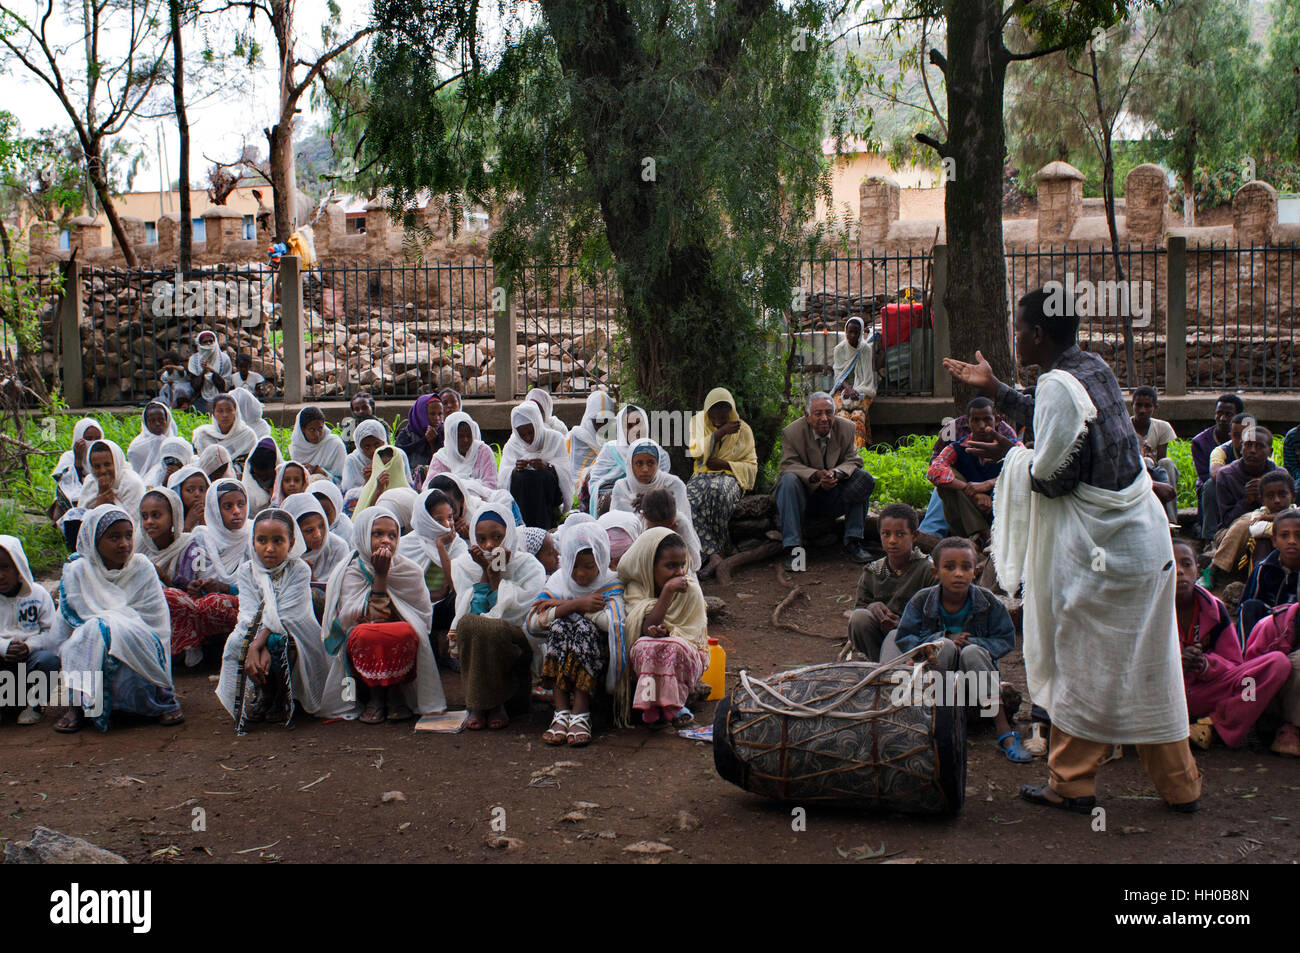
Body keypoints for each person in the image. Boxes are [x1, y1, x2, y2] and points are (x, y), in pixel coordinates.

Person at [946, 286, 1201, 813]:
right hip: (1142, 543)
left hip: (1103, 553)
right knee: (1148, 664)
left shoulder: (1061, 384)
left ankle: (1070, 782)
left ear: (1037, 333)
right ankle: (1180, 787)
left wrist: (1012, 456)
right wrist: (996, 388)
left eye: (1019, 328)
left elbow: (1052, 478)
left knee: (1078, 660)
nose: (1015, 337)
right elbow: (1057, 419)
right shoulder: (1093, 368)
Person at [889, 537, 1031, 762]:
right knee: (943, 646)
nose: (958, 573)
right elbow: (905, 637)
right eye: (949, 567)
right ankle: (937, 723)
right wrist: (943, 639)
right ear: (935, 572)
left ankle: (1003, 730)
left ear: (975, 572)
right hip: (934, 682)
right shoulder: (922, 600)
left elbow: (1005, 639)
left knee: (972, 652)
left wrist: (974, 642)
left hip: (975, 679)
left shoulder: (987, 601)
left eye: (966, 567)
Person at [54, 505, 183, 733]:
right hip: (90, 642)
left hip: (141, 639)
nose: (124, 544)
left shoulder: (141, 567)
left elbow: (156, 621)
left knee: (103, 629)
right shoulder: (78, 571)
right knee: (89, 634)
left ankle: (156, 702)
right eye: (114, 537)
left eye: (128, 536)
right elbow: (68, 624)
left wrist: (114, 626)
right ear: (94, 540)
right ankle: (79, 705)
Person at [321, 508, 447, 723]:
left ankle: (396, 694)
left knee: (404, 631)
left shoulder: (409, 571)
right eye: (377, 534)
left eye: (392, 535)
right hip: (361, 643)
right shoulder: (351, 570)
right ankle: (375, 697)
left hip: (399, 640)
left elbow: (422, 618)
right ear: (362, 535)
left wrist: (385, 576)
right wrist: (381, 575)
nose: (385, 541)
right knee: (368, 634)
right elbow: (363, 618)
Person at [215, 509, 337, 730]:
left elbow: (289, 614)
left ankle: (283, 694)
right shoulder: (247, 571)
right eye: (262, 540)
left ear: (291, 544)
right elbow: (249, 612)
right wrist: (254, 643)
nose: (269, 548)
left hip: (295, 631)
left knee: (278, 642)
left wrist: (257, 644)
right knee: (235, 643)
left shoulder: (298, 569)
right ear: (253, 542)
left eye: (278, 541)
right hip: (258, 629)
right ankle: (265, 693)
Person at [1171, 537, 1290, 749]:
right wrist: (1176, 662)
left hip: (1207, 693)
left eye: (1186, 564)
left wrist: (1206, 666)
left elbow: (1233, 663)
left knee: (1274, 666)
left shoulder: (1214, 609)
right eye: (1170, 565)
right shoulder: (1147, 611)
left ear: (1198, 570)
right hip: (1164, 695)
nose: (1179, 571)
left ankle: (1213, 726)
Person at [448, 502, 548, 730]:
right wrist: (485, 571)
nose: (489, 545)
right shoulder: (465, 566)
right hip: (479, 635)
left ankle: (495, 704)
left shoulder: (528, 567)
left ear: (509, 534)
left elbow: (519, 616)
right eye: (481, 539)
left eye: (497, 537)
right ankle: (479, 704)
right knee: (470, 625)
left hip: (516, 641)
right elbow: (473, 611)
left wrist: (496, 576)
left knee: (493, 629)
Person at [527, 521, 625, 746]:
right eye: (574, 566)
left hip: (598, 659)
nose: (580, 574)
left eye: (589, 566)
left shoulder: (610, 582)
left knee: (580, 626)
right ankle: (561, 711)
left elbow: (613, 622)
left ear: (601, 560)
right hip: (562, 649)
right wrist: (575, 604)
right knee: (562, 626)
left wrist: (565, 606)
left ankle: (581, 711)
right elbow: (534, 622)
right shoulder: (560, 579)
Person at [775, 391, 875, 570]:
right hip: (805, 497)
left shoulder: (847, 428)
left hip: (835, 493)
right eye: (818, 413)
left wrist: (835, 474)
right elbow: (788, 465)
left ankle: (853, 542)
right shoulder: (792, 433)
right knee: (788, 481)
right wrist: (815, 475)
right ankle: (793, 549)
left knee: (862, 479)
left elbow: (854, 460)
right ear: (807, 416)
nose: (824, 418)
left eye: (829, 413)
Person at [618, 527, 708, 727]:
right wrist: (667, 592)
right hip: (652, 652)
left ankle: (673, 706)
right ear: (651, 565)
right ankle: (650, 706)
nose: (678, 572)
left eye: (682, 565)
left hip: (686, 652)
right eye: (670, 566)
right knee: (644, 646)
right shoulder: (637, 588)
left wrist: (667, 634)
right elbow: (645, 627)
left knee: (674, 648)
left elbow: (691, 637)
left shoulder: (689, 589)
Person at [167, 479, 249, 665]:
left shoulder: (255, 536)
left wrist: (224, 588)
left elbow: (261, 586)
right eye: (228, 506)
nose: (236, 511)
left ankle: (230, 647)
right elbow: (185, 584)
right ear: (214, 510)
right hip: (200, 608)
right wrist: (195, 588)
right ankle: (197, 649)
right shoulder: (201, 539)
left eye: (240, 504)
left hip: (243, 607)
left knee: (215, 603)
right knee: (171, 597)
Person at [685, 387, 758, 578]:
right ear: (708, 410)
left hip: (730, 476)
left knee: (718, 492)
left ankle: (713, 555)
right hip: (702, 475)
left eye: (724, 408)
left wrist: (725, 464)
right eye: (715, 409)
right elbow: (695, 452)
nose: (719, 413)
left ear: (731, 409)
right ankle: (713, 554)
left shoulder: (744, 430)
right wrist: (719, 434)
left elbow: (751, 465)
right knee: (689, 497)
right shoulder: (698, 422)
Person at [927, 396, 1018, 545]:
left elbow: (1026, 469)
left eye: (987, 420)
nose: (982, 425)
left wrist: (988, 484)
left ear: (996, 419)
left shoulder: (1010, 443)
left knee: (1015, 472)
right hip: (968, 511)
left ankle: (994, 536)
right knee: (947, 479)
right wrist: (972, 491)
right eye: (975, 420)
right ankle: (981, 536)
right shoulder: (957, 446)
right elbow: (933, 471)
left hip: (1001, 508)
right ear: (968, 423)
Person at [846, 502, 932, 661]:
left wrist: (903, 625)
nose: (892, 540)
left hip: (917, 640)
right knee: (859, 617)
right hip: (881, 636)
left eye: (900, 534)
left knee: (896, 634)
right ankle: (879, 663)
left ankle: (898, 668)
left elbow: (937, 616)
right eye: (886, 534)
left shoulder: (927, 570)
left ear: (914, 536)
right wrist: (872, 607)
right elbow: (860, 606)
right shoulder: (873, 571)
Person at [397, 487, 468, 660]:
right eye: (438, 519)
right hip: (415, 608)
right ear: (425, 519)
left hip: (444, 607)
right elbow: (404, 590)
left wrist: (440, 548)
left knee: (465, 598)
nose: (447, 525)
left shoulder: (457, 544)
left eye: (450, 517)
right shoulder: (406, 545)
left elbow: (455, 585)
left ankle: (452, 652)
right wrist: (433, 595)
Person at [0, 535, 59, 726]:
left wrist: (28, 647)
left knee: (49, 660)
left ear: (18, 567)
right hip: (2, 662)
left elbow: (51, 632)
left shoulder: (38, 594)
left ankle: (34, 705)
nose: (0, 575)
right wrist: (5, 647)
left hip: (30, 660)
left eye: (5, 567)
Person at [1203, 469, 1294, 587]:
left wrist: (1270, 519)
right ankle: (1256, 584)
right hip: (1231, 538)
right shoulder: (1258, 513)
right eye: (1271, 496)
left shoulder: (1293, 509)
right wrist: (1287, 529)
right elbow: (1256, 529)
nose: (1277, 500)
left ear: (1293, 496)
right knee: (1253, 532)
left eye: (1282, 495)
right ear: (1262, 499)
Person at [1244, 581, 1300, 756]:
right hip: (1274, 711)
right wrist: (1247, 713)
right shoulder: (1273, 624)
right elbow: (1248, 674)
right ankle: (1290, 729)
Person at [498, 402, 573, 529]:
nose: (527, 438)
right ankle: (522, 525)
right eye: (522, 435)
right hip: (521, 494)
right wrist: (515, 469)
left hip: (549, 494)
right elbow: (502, 477)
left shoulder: (555, 439)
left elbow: (565, 471)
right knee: (520, 477)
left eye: (531, 432)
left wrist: (548, 466)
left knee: (542, 476)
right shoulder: (513, 445)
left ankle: (546, 523)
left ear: (537, 425)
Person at [62, 439, 146, 550]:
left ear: (116, 462)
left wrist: (110, 505)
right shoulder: (91, 481)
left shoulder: (132, 483)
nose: (102, 471)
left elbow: (134, 523)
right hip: (97, 534)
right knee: (72, 515)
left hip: (124, 540)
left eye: (107, 464)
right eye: (97, 466)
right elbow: (83, 516)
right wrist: (100, 500)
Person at [283, 493, 350, 620]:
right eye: (309, 530)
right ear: (294, 532)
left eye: (321, 526)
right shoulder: (285, 551)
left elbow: (341, 594)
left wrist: (310, 577)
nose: (318, 535)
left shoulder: (337, 547)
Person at [1238, 508, 1300, 643]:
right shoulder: (1263, 569)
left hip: (1296, 635)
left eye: (1298, 536)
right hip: (1268, 632)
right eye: (1284, 535)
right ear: (1274, 541)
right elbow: (1246, 607)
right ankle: (1247, 658)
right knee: (1250, 606)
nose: (1292, 541)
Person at [1215, 425, 1285, 529]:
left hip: (1273, 527)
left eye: (1259, 446)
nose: (1252, 451)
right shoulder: (1226, 475)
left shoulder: (1280, 475)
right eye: (1248, 445)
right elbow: (1227, 521)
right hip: (1232, 531)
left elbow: (1286, 514)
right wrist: (1247, 501)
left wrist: (1264, 497)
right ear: (1241, 448)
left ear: (1270, 452)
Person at [830, 317, 883, 448]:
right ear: (845, 332)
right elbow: (838, 376)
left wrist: (857, 391)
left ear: (860, 334)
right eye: (850, 332)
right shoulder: (839, 349)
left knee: (858, 417)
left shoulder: (865, 349)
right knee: (842, 417)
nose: (853, 336)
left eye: (856, 332)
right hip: (842, 389)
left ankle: (858, 451)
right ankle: (842, 451)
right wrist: (848, 389)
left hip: (863, 390)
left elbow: (867, 378)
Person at [1192, 394, 1243, 533]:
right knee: (1210, 486)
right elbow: (1206, 475)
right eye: (1219, 413)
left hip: (1241, 484)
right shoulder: (1200, 442)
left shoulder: (1251, 441)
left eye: (1228, 414)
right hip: (1214, 485)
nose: (1222, 418)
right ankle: (1210, 536)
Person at [585, 403, 647, 516]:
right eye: (629, 426)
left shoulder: (653, 450)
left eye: (638, 424)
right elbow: (595, 481)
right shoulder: (611, 449)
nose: (635, 430)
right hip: (614, 497)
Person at [426, 411, 498, 501]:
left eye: (469, 435)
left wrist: (465, 487)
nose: (465, 440)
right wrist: (472, 484)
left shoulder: (483, 451)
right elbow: (429, 488)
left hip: (481, 503)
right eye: (460, 436)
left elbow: (491, 486)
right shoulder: (441, 458)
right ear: (451, 437)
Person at [1202, 411, 1252, 538]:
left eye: (1246, 435)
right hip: (1231, 491)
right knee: (1210, 486)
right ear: (1230, 436)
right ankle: (1210, 537)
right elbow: (1215, 474)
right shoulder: (1222, 450)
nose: (1242, 440)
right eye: (1237, 435)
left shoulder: (1262, 448)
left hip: (1256, 492)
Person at [192, 393, 259, 476]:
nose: (225, 415)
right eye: (220, 411)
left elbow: (253, 464)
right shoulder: (203, 435)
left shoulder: (247, 435)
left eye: (229, 410)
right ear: (213, 413)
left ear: (236, 412)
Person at [50, 418, 104, 521]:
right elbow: (67, 485)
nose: (93, 442)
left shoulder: (104, 455)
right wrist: (78, 461)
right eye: (89, 438)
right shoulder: (68, 457)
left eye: (97, 438)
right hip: (74, 496)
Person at [639, 487, 702, 574]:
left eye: (667, 527)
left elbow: (696, 563)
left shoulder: (681, 523)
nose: (663, 532)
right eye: (657, 529)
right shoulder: (640, 523)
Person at [1130, 385, 1179, 494]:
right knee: (1145, 461)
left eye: (1148, 406)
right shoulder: (1125, 427)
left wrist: (1151, 456)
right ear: (1132, 405)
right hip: (1133, 470)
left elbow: (1161, 460)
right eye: (1138, 405)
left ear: (1155, 407)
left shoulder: (1163, 427)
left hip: (1156, 469)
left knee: (1167, 462)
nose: (1142, 410)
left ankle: (1169, 508)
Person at [568, 390, 617, 498]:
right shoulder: (579, 435)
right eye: (597, 421)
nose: (602, 426)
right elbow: (576, 474)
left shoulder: (617, 434)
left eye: (606, 421)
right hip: (584, 488)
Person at [342, 419, 411, 495]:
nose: (373, 450)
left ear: (383, 441)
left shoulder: (397, 455)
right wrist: (368, 483)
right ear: (359, 447)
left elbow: (407, 487)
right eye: (367, 447)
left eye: (377, 444)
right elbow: (349, 496)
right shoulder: (353, 461)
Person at [289, 406, 347, 486]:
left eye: (320, 428)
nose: (317, 434)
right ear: (303, 429)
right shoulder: (298, 447)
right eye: (312, 430)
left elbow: (344, 479)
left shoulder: (335, 445)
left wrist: (320, 471)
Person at [355, 444, 413, 516]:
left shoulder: (408, 494)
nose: (385, 473)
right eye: (381, 467)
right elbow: (366, 517)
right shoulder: (368, 490)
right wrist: (378, 491)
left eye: (390, 468)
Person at [126, 401, 178, 477]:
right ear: (146, 423)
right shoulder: (136, 448)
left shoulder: (176, 445)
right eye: (152, 421)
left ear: (167, 421)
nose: (157, 424)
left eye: (161, 420)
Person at [394, 394, 444, 472]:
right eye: (432, 414)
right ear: (421, 414)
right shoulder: (407, 436)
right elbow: (398, 465)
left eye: (440, 414)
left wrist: (433, 444)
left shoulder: (442, 434)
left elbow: (441, 466)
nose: (437, 418)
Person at [186, 330, 232, 413]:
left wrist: (213, 371)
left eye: (211, 341)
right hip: (200, 395)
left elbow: (225, 384)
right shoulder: (194, 360)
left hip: (220, 394)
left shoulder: (224, 359)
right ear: (200, 344)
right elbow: (195, 386)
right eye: (205, 342)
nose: (208, 344)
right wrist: (204, 372)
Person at [241, 437, 283, 514]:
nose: (263, 480)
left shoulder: (286, 480)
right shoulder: (248, 493)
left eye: (266, 477)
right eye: (258, 476)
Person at [167, 466, 210, 533]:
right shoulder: (170, 519)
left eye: (201, 490)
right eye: (190, 490)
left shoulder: (212, 516)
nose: (197, 494)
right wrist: (188, 525)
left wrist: (204, 522)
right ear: (179, 492)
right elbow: (176, 542)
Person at [310, 480, 354, 545]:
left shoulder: (347, 532)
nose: (322, 519)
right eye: (316, 514)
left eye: (326, 514)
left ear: (337, 509)